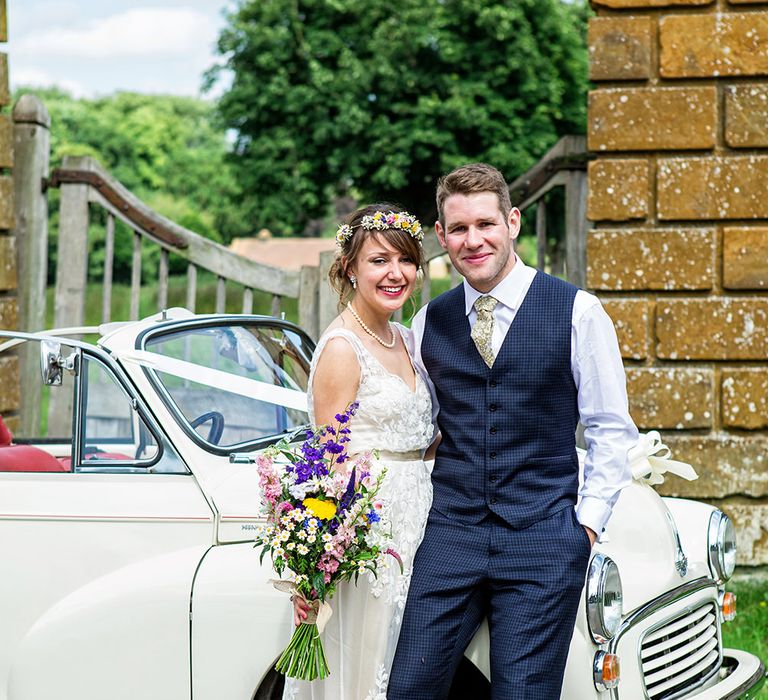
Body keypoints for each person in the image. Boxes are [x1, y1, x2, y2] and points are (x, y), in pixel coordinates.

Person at [387, 163, 639, 700]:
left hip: (543, 536)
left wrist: (585, 529)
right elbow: (422, 424)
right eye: (458, 229)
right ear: (441, 237)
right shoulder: (429, 321)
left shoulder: (578, 312)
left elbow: (611, 428)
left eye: (486, 224)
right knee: (409, 687)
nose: (473, 240)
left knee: (522, 692)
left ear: (513, 222)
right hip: (451, 534)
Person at [283, 204, 434, 700]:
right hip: (371, 534)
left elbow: (424, 436)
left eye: (406, 260)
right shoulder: (344, 348)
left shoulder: (407, 339)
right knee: (367, 667)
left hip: (423, 525)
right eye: (379, 261)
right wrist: (314, 566)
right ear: (350, 266)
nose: (396, 274)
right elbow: (327, 464)